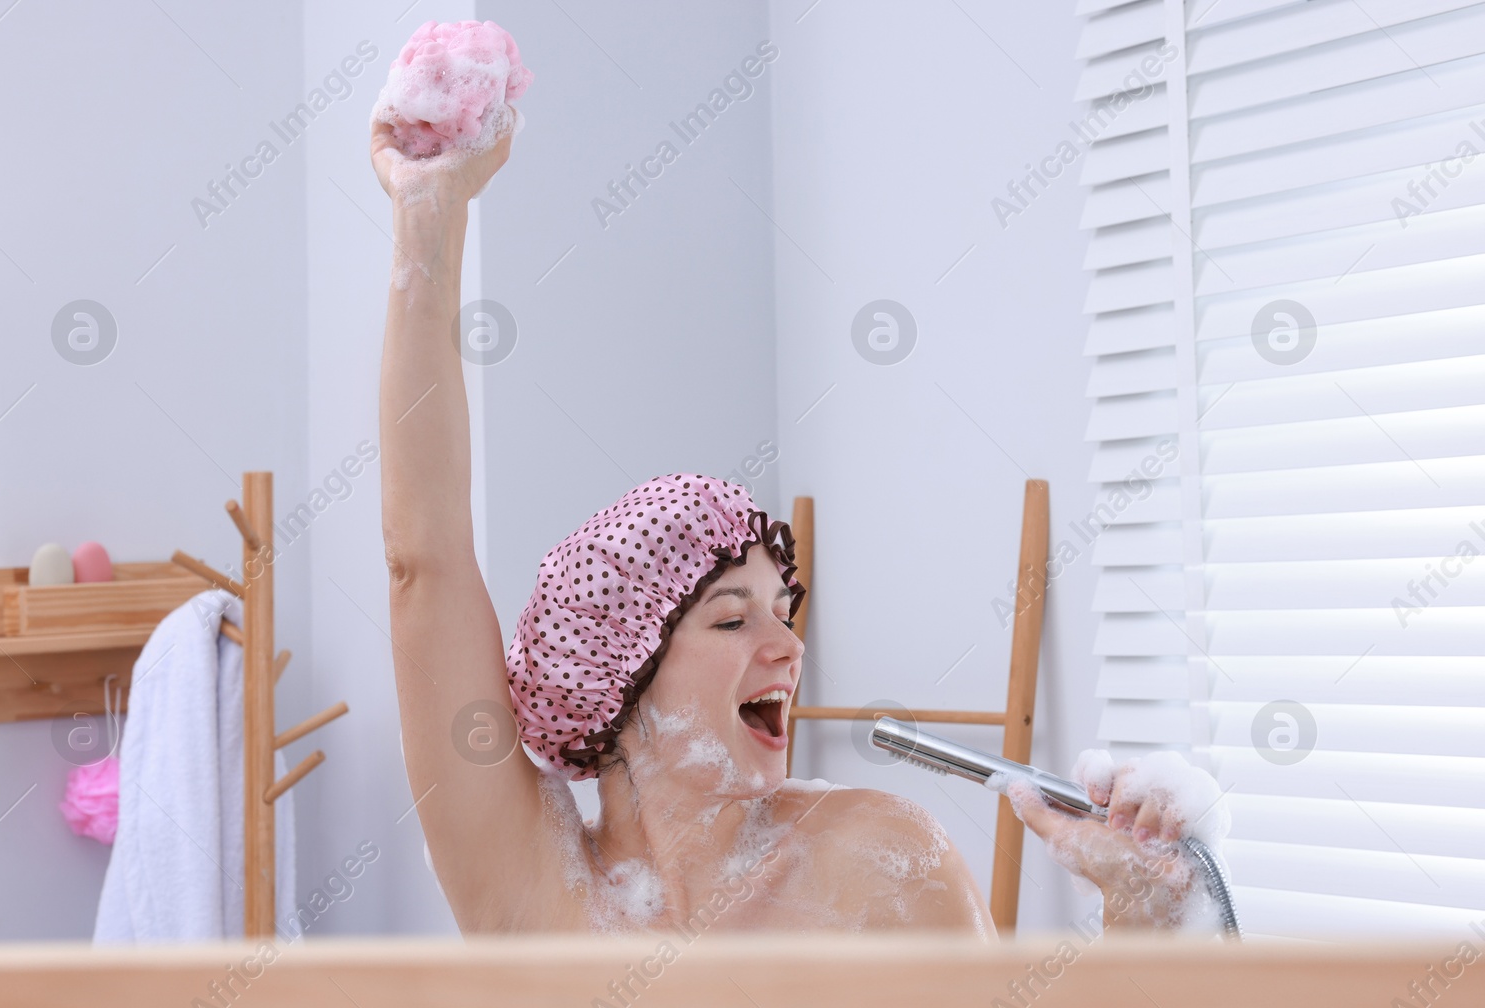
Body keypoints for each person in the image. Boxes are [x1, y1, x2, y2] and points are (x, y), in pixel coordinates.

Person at [370, 113, 1205, 936]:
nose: (789, 647)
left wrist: (1140, 915)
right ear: (615, 686)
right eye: (732, 617)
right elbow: (425, 563)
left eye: (784, 610)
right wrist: (429, 214)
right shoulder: (535, 884)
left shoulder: (881, 865)